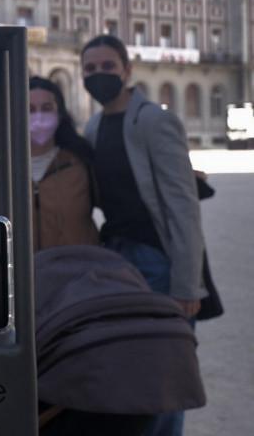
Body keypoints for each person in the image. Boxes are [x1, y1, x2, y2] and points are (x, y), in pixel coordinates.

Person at [80, 34, 206, 436]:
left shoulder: (155, 120)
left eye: (107, 67)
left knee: (167, 368)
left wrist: (188, 284)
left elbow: (182, 207)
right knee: (133, 364)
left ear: (127, 71)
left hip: (157, 259)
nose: (98, 75)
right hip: (118, 258)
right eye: (90, 69)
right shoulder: (95, 125)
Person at [28, 76, 99, 251]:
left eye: (46, 108)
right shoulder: (0, 167)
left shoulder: (80, 161)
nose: (38, 117)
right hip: (24, 274)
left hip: (78, 271)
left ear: (59, 113)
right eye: (29, 109)